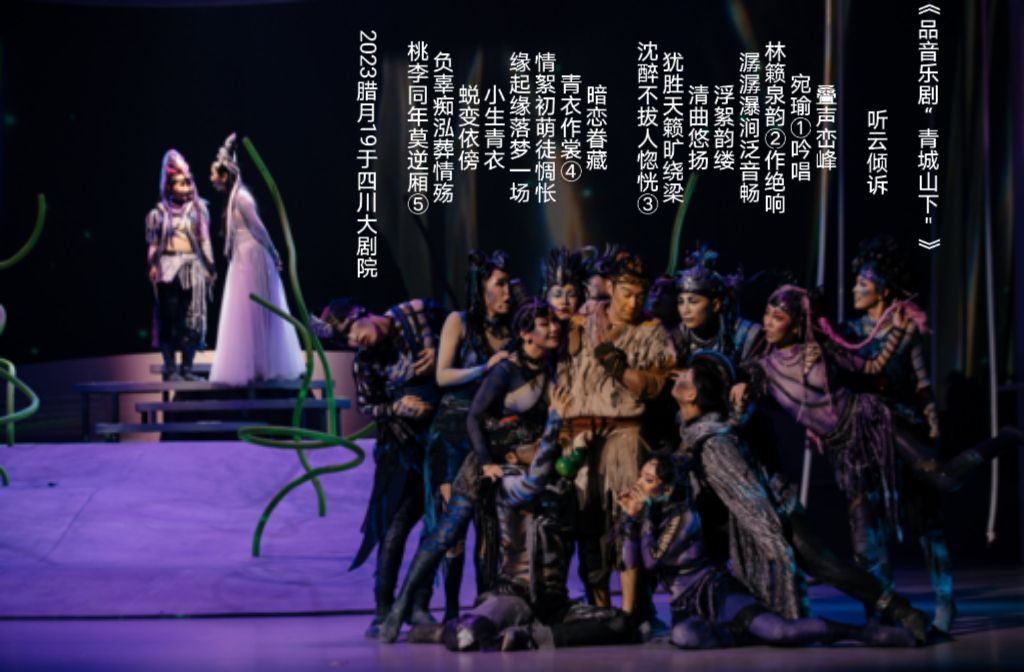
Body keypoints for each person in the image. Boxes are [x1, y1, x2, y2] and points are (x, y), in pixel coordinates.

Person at [672, 352, 931, 642]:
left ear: (692, 395)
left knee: (824, 565)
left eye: (685, 377)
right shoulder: (695, 431)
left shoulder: (715, 441)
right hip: (758, 513)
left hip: (777, 510)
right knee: (823, 566)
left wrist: (773, 542)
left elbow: (752, 497)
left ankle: (903, 612)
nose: (678, 376)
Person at [379, 300, 563, 643]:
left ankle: (486, 614)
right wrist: (486, 460)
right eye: (545, 323)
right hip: (482, 464)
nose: (554, 328)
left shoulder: (550, 367)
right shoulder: (505, 370)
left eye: (555, 322)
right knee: (446, 534)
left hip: (514, 466)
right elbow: (474, 417)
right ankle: (399, 606)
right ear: (526, 334)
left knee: (491, 544)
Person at [618, 453, 917, 649]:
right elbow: (631, 563)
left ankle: (861, 633)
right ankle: (740, 633)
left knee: (782, 633)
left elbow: (651, 560)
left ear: (667, 489)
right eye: (641, 476)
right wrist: (629, 520)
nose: (639, 484)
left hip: (714, 590)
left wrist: (641, 517)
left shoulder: (685, 515)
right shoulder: (651, 515)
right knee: (683, 636)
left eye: (648, 480)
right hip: (685, 603)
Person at [418, 386, 637, 651]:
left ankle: (531, 636)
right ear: (511, 456)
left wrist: (577, 453)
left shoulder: (560, 482)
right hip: (513, 596)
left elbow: (557, 485)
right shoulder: (508, 481)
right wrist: (553, 422)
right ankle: (442, 631)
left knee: (621, 624)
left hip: (554, 602)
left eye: (540, 439)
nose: (541, 443)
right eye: (533, 443)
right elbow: (532, 484)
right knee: (467, 635)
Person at [310, 297, 443, 637]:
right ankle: (383, 608)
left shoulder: (414, 315)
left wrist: (441, 352)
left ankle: (419, 604)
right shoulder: (365, 362)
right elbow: (368, 405)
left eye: (352, 332)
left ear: (360, 314)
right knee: (393, 527)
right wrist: (396, 406)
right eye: (347, 342)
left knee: (436, 526)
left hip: (438, 441)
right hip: (399, 449)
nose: (355, 342)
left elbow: (465, 330)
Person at [841, 235, 953, 633]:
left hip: (905, 432)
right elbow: (856, 376)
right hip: (865, 438)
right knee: (867, 525)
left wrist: (932, 419)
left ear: (883, 291)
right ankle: (881, 604)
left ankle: (945, 600)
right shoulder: (849, 332)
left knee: (927, 521)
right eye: (855, 282)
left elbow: (921, 381)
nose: (854, 289)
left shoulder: (908, 327)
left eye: (863, 283)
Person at [556, 251, 676, 613]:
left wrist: (621, 369)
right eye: (626, 293)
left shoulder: (652, 331)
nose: (633, 302)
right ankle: (598, 606)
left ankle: (634, 610)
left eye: (640, 294)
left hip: (625, 434)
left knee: (627, 522)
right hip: (579, 432)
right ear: (610, 287)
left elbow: (656, 386)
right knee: (587, 525)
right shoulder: (584, 318)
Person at [423, 250, 513, 622]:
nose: (508, 291)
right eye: (500, 284)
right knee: (455, 527)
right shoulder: (457, 321)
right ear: (481, 287)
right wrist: (484, 369)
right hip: (453, 431)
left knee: (488, 525)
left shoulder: (510, 330)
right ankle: (450, 611)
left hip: (489, 433)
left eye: (509, 284)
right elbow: (442, 376)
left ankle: (482, 607)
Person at [208, 133, 304, 385]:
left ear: (225, 176)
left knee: (258, 311)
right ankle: (250, 364)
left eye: (214, 174)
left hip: (253, 257)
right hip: (242, 258)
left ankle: (265, 364)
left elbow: (259, 229)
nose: (211, 179)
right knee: (244, 314)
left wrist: (273, 251)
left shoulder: (242, 198)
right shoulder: (232, 199)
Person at [145, 149, 215, 381]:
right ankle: (170, 367)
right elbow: (154, 242)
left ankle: (187, 368)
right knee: (169, 317)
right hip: (167, 268)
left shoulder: (197, 211)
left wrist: (210, 266)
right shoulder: (159, 214)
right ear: (169, 185)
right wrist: (152, 264)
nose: (187, 187)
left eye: (188, 182)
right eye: (181, 183)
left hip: (192, 267)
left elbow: (204, 240)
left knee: (191, 318)